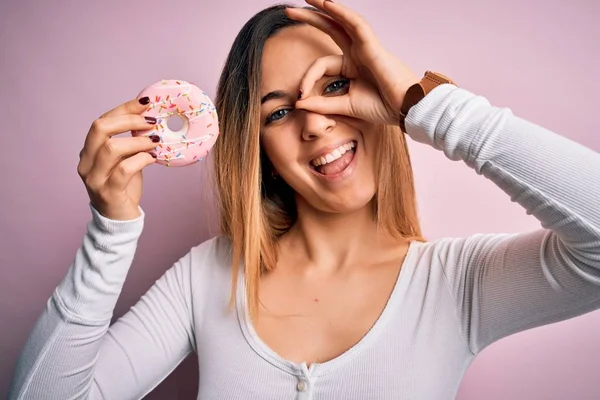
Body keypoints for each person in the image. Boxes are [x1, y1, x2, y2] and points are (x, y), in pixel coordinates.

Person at [7, 1, 600, 399]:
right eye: (281, 112)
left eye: (336, 86)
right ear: (256, 143)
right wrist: (110, 230)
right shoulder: (210, 277)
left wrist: (424, 106)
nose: (316, 124)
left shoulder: (458, 282)